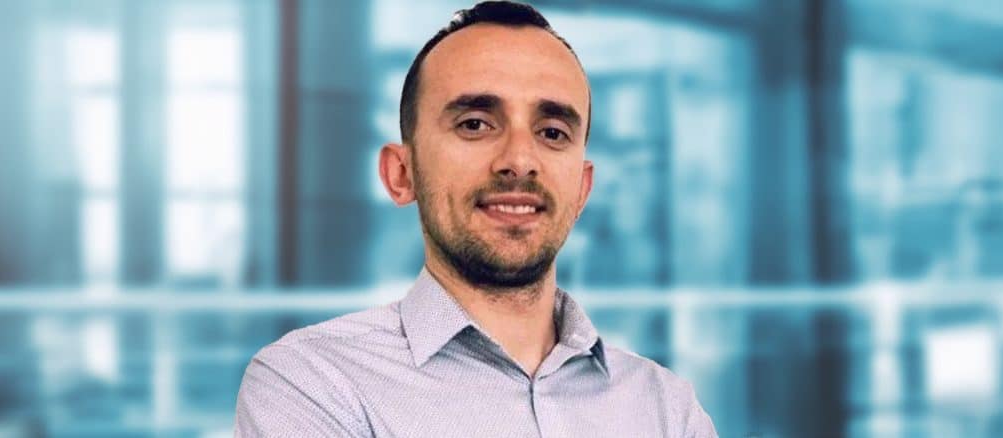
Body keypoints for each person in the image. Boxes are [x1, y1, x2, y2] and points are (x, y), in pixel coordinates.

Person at [235, 1, 717, 436]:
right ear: (401, 174)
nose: (520, 160)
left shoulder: (667, 408)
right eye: (475, 124)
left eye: (552, 132)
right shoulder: (310, 384)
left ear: (581, 191)